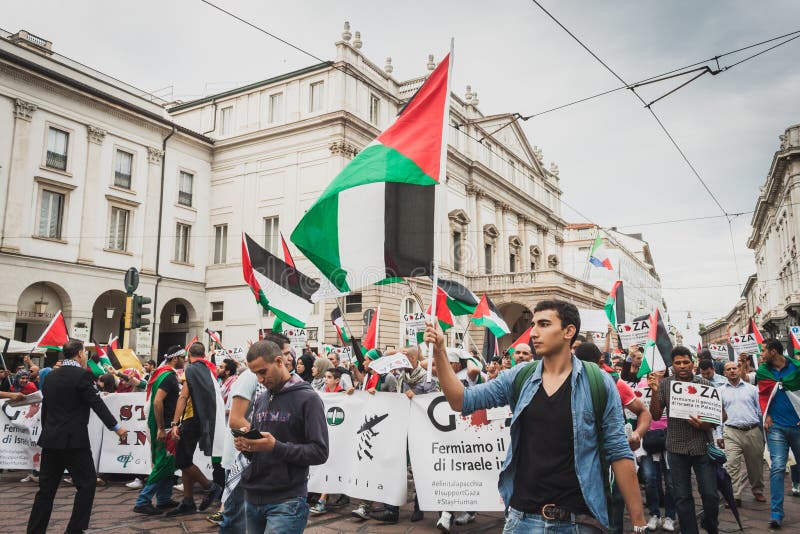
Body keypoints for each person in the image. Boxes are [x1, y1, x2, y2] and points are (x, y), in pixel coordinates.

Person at [425, 300, 646, 533]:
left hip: (578, 520)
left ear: (568, 331)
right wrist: (439, 351)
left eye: (544, 324)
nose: (534, 333)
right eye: (533, 325)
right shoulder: (520, 376)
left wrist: (639, 522)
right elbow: (461, 401)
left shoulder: (598, 382)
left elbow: (618, 451)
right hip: (522, 518)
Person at [26, 339, 128, 534]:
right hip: (74, 441)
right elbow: (96, 403)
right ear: (80, 354)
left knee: (46, 491)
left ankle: (34, 531)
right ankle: (75, 530)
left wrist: (48, 431)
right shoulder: (83, 376)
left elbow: (46, 409)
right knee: (87, 483)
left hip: (51, 440)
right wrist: (116, 427)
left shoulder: (51, 376)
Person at [234, 339, 329, 534]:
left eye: (263, 372)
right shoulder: (261, 399)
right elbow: (261, 449)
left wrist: (275, 446)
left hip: (287, 501)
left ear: (279, 361)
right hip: (253, 496)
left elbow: (319, 452)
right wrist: (248, 446)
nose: (260, 379)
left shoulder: (308, 399)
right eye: (255, 374)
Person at [574, 342, 652, 534]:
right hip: (581, 462)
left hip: (612, 458)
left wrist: (637, 434)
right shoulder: (566, 383)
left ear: (600, 364)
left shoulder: (615, 383)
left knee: (615, 504)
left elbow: (644, 412)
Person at [649, 346, 719, 534]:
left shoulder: (705, 384)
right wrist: (655, 391)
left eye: (685, 362)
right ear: (672, 365)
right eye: (678, 363)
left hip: (702, 446)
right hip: (676, 448)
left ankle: (711, 524)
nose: (682, 366)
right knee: (682, 496)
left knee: (710, 494)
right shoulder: (664, 385)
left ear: (692, 363)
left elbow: (721, 416)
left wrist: (705, 424)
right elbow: (655, 416)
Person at [167, 342, 225, 516]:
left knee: (182, 461)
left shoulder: (191, 370)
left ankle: (210, 486)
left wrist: (175, 423)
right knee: (186, 460)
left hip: (191, 419)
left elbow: (183, 397)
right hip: (202, 420)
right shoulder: (208, 371)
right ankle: (188, 501)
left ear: (189, 355)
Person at [133, 346, 185, 515]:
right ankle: (143, 501)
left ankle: (163, 498)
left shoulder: (163, 374)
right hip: (164, 426)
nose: (185, 360)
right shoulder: (168, 376)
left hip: (164, 424)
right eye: (182, 357)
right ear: (175, 358)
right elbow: (157, 402)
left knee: (169, 462)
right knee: (164, 461)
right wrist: (162, 428)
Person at [755, 339, 800, 529]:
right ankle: (776, 514)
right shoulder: (763, 372)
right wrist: (767, 416)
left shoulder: (797, 368)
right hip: (776, 428)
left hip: (798, 425)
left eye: (763, 351)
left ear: (773, 351)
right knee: (778, 467)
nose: (760, 354)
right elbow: (763, 396)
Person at [718, 360, 765, 507]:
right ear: (724, 373)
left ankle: (757, 489)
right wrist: (719, 434)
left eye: (734, 368)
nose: (732, 371)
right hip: (731, 431)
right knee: (731, 464)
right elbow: (718, 415)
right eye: (728, 369)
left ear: (739, 370)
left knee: (755, 464)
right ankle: (735, 495)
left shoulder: (752, 389)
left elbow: (760, 410)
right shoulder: (720, 391)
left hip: (752, 430)